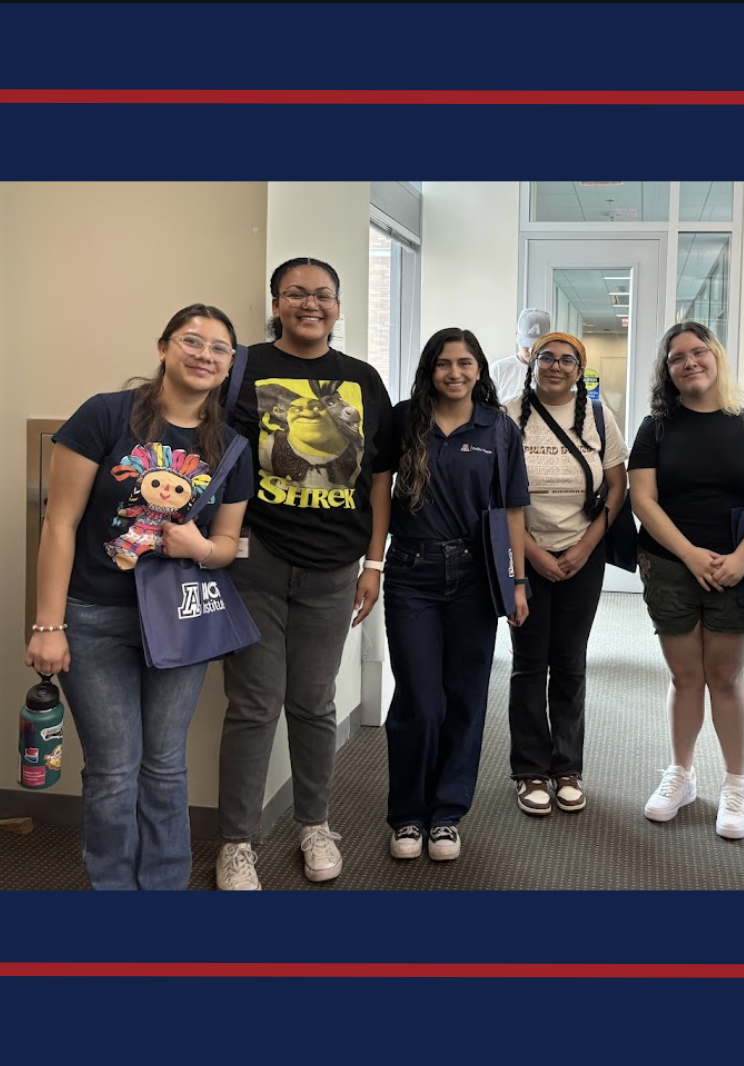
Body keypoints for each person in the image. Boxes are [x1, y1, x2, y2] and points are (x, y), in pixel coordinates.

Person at [25, 305, 254, 889]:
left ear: (229, 365)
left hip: (178, 621)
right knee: (113, 769)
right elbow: (60, 524)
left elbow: (227, 544)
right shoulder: (105, 415)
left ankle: (164, 889)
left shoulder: (230, 446)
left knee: (165, 765)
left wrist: (196, 548)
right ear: (163, 348)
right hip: (94, 617)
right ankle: (113, 892)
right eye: (192, 341)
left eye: (219, 349)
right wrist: (48, 625)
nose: (204, 355)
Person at [216, 257, 394, 890]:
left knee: (314, 704)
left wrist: (373, 562)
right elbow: (217, 459)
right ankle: (237, 842)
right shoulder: (243, 368)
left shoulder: (363, 381)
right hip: (256, 561)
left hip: (333, 569)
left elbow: (379, 481)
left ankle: (314, 824)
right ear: (276, 301)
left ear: (339, 308)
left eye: (323, 296)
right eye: (296, 294)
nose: (310, 304)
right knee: (252, 705)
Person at [371, 328, 530, 863]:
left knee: (465, 696)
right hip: (410, 573)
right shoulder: (404, 418)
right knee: (419, 697)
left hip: (473, 576)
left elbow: (512, 512)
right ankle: (407, 815)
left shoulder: (499, 428)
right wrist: (372, 563)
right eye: (444, 364)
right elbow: (379, 494)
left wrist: (518, 581)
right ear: (430, 369)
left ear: (480, 370)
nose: (455, 373)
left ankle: (445, 815)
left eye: (465, 363)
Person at [628, 321, 744, 840]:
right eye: (677, 357)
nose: (689, 362)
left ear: (716, 357)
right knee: (685, 675)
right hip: (672, 565)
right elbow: (642, 501)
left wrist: (739, 557)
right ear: (667, 371)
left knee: (726, 676)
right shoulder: (656, 428)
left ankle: (735, 784)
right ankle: (682, 775)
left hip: (736, 567)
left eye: (699, 352)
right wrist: (691, 554)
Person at [506, 330, 624, 818]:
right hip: (525, 556)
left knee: (571, 661)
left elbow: (617, 485)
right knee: (529, 662)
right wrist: (531, 554)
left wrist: (587, 545)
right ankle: (531, 770)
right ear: (532, 364)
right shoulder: (508, 416)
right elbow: (498, 496)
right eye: (547, 358)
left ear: (580, 369)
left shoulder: (599, 416)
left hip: (583, 555)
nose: (556, 366)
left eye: (567, 360)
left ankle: (567, 768)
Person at [490, 307, 552, 404]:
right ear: (516, 336)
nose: (531, 350)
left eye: (537, 345)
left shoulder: (555, 371)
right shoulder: (499, 369)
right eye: (526, 344)